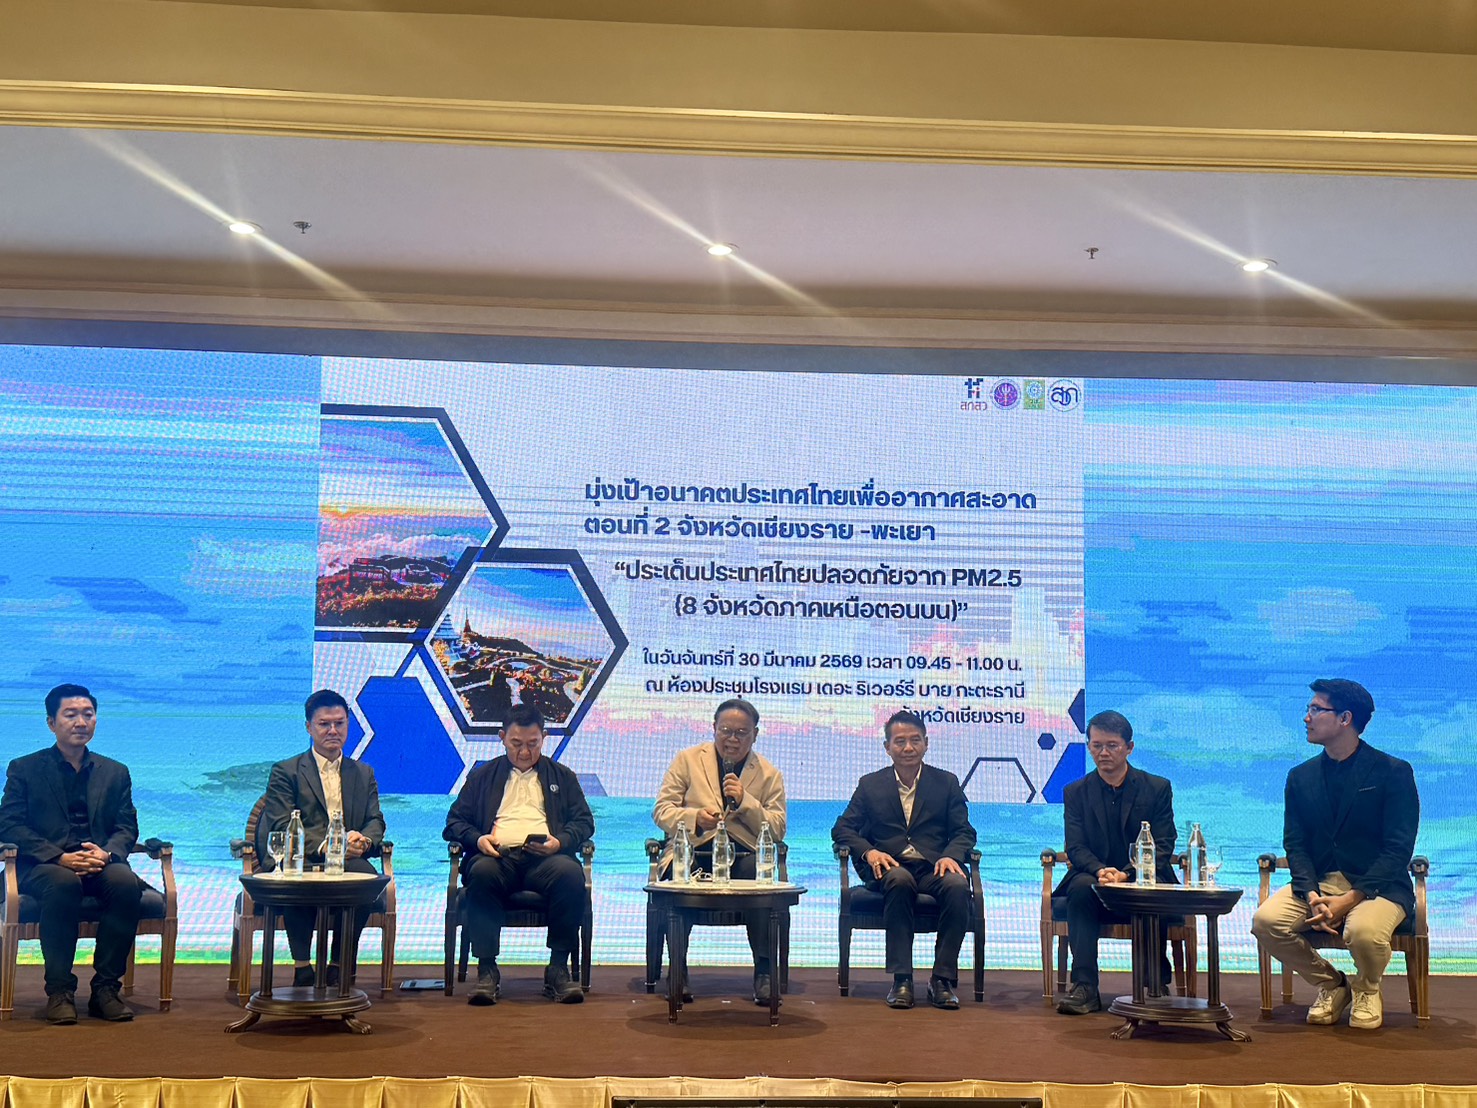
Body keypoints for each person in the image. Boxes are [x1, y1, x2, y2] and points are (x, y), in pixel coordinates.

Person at [1251, 678, 1419, 1030]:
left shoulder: (1392, 771)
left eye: (1316, 709)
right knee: (1266, 922)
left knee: (1363, 931)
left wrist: (1352, 898)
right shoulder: (1300, 777)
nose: (1306, 718)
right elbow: (1295, 843)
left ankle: (1367, 988)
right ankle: (1333, 984)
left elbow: (1398, 848)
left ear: (1345, 718)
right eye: (1308, 709)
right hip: (1321, 883)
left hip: (1379, 886)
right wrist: (1312, 894)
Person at [0, 684, 141, 1024]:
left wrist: (107, 854)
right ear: (51, 723)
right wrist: (58, 856)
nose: (81, 722)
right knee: (63, 883)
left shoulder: (115, 772)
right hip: (43, 866)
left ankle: (105, 989)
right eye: (71, 715)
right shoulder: (25, 769)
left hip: (97, 862)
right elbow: (9, 825)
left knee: (126, 883)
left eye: (88, 714)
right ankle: (60, 991)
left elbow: (126, 827)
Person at [443, 702, 594, 1006]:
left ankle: (558, 969)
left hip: (546, 860)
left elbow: (584, 823)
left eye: (532, 744)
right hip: (497, 858)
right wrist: (478, 839)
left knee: (570, 874)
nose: (524, 752)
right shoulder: (482, 776)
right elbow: (454, 823)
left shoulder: (563, 776)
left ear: (544, 738)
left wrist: (559, 842)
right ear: (502, 738)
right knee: (481, 872)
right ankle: (487, 970)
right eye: (516, 744)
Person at [831, 709, 977, 1010]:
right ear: (887, 747)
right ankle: (902, 979)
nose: (908, 747)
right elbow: (842, 829)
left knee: (958, 886)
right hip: (891, 867)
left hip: (933, 866)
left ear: (926, 743)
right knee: (899, 880)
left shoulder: (946, 782)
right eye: (900, 741)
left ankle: (941, 979)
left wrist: (951, 855)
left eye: (915, 740)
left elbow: (964, 831)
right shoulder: (870, 785)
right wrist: (870, 852)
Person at [652, 698, 788, 1005]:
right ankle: (678, 971)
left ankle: (764, 974)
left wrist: (746, 802)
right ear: (714, 728)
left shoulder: (769, 774)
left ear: (755, 734)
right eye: (726, 731)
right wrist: (694, 818)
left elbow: (777, 829)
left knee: (761, 880)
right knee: (677, 876)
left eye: (741, 733)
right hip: (694, 850)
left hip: (744, 856)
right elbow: (662, 811)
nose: (732, 739)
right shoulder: (687, 760)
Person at [256, 688, 386, 986]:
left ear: (348, 725)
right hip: (302, 855)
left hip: (348, 859)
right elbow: (281, 822)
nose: (333, 730)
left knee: (367, 879)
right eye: (324, 724)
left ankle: (339, 964)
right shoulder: (286, 771)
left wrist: (364, 841)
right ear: (309, 727)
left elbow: (375, 820)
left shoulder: (363, 773)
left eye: (339, 723)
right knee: (296, 877)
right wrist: (329, 846)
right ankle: (302, 967)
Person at [1053, 709, 1177, 1015]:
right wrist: (1100, 870)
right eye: (1096, 745)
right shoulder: (1076, 792)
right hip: (1095, 877)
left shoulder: (1157, 788)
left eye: (1112, 745)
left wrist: (1126, 873)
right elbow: (1076, 846)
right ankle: (1084, 987)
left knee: (1151, 890)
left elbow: (1164, 843)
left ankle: (1154, 983)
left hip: (1142, 875)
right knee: (1081, 888)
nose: (1103, 752)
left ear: (1129, 747)